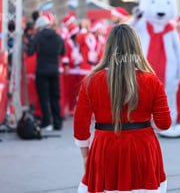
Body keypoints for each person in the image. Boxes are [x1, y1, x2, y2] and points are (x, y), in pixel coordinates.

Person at [74, 24, 171, 193]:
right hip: (143, 148)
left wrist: (86, 156)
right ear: (136, 47)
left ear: (109, 47)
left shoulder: (91, 81)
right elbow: (164, 123)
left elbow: (80, 127)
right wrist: (146, 122)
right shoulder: (151, 80)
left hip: (105, 147)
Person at [27, 16, 66, 131]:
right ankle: (58, 123)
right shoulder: (58, 36)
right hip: (55, 70)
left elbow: (29, 52)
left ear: (39, 27)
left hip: (41, 70)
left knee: (44, 97)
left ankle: (47, 122)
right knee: (55, 97)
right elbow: (63, 51)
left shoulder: (37, 37)